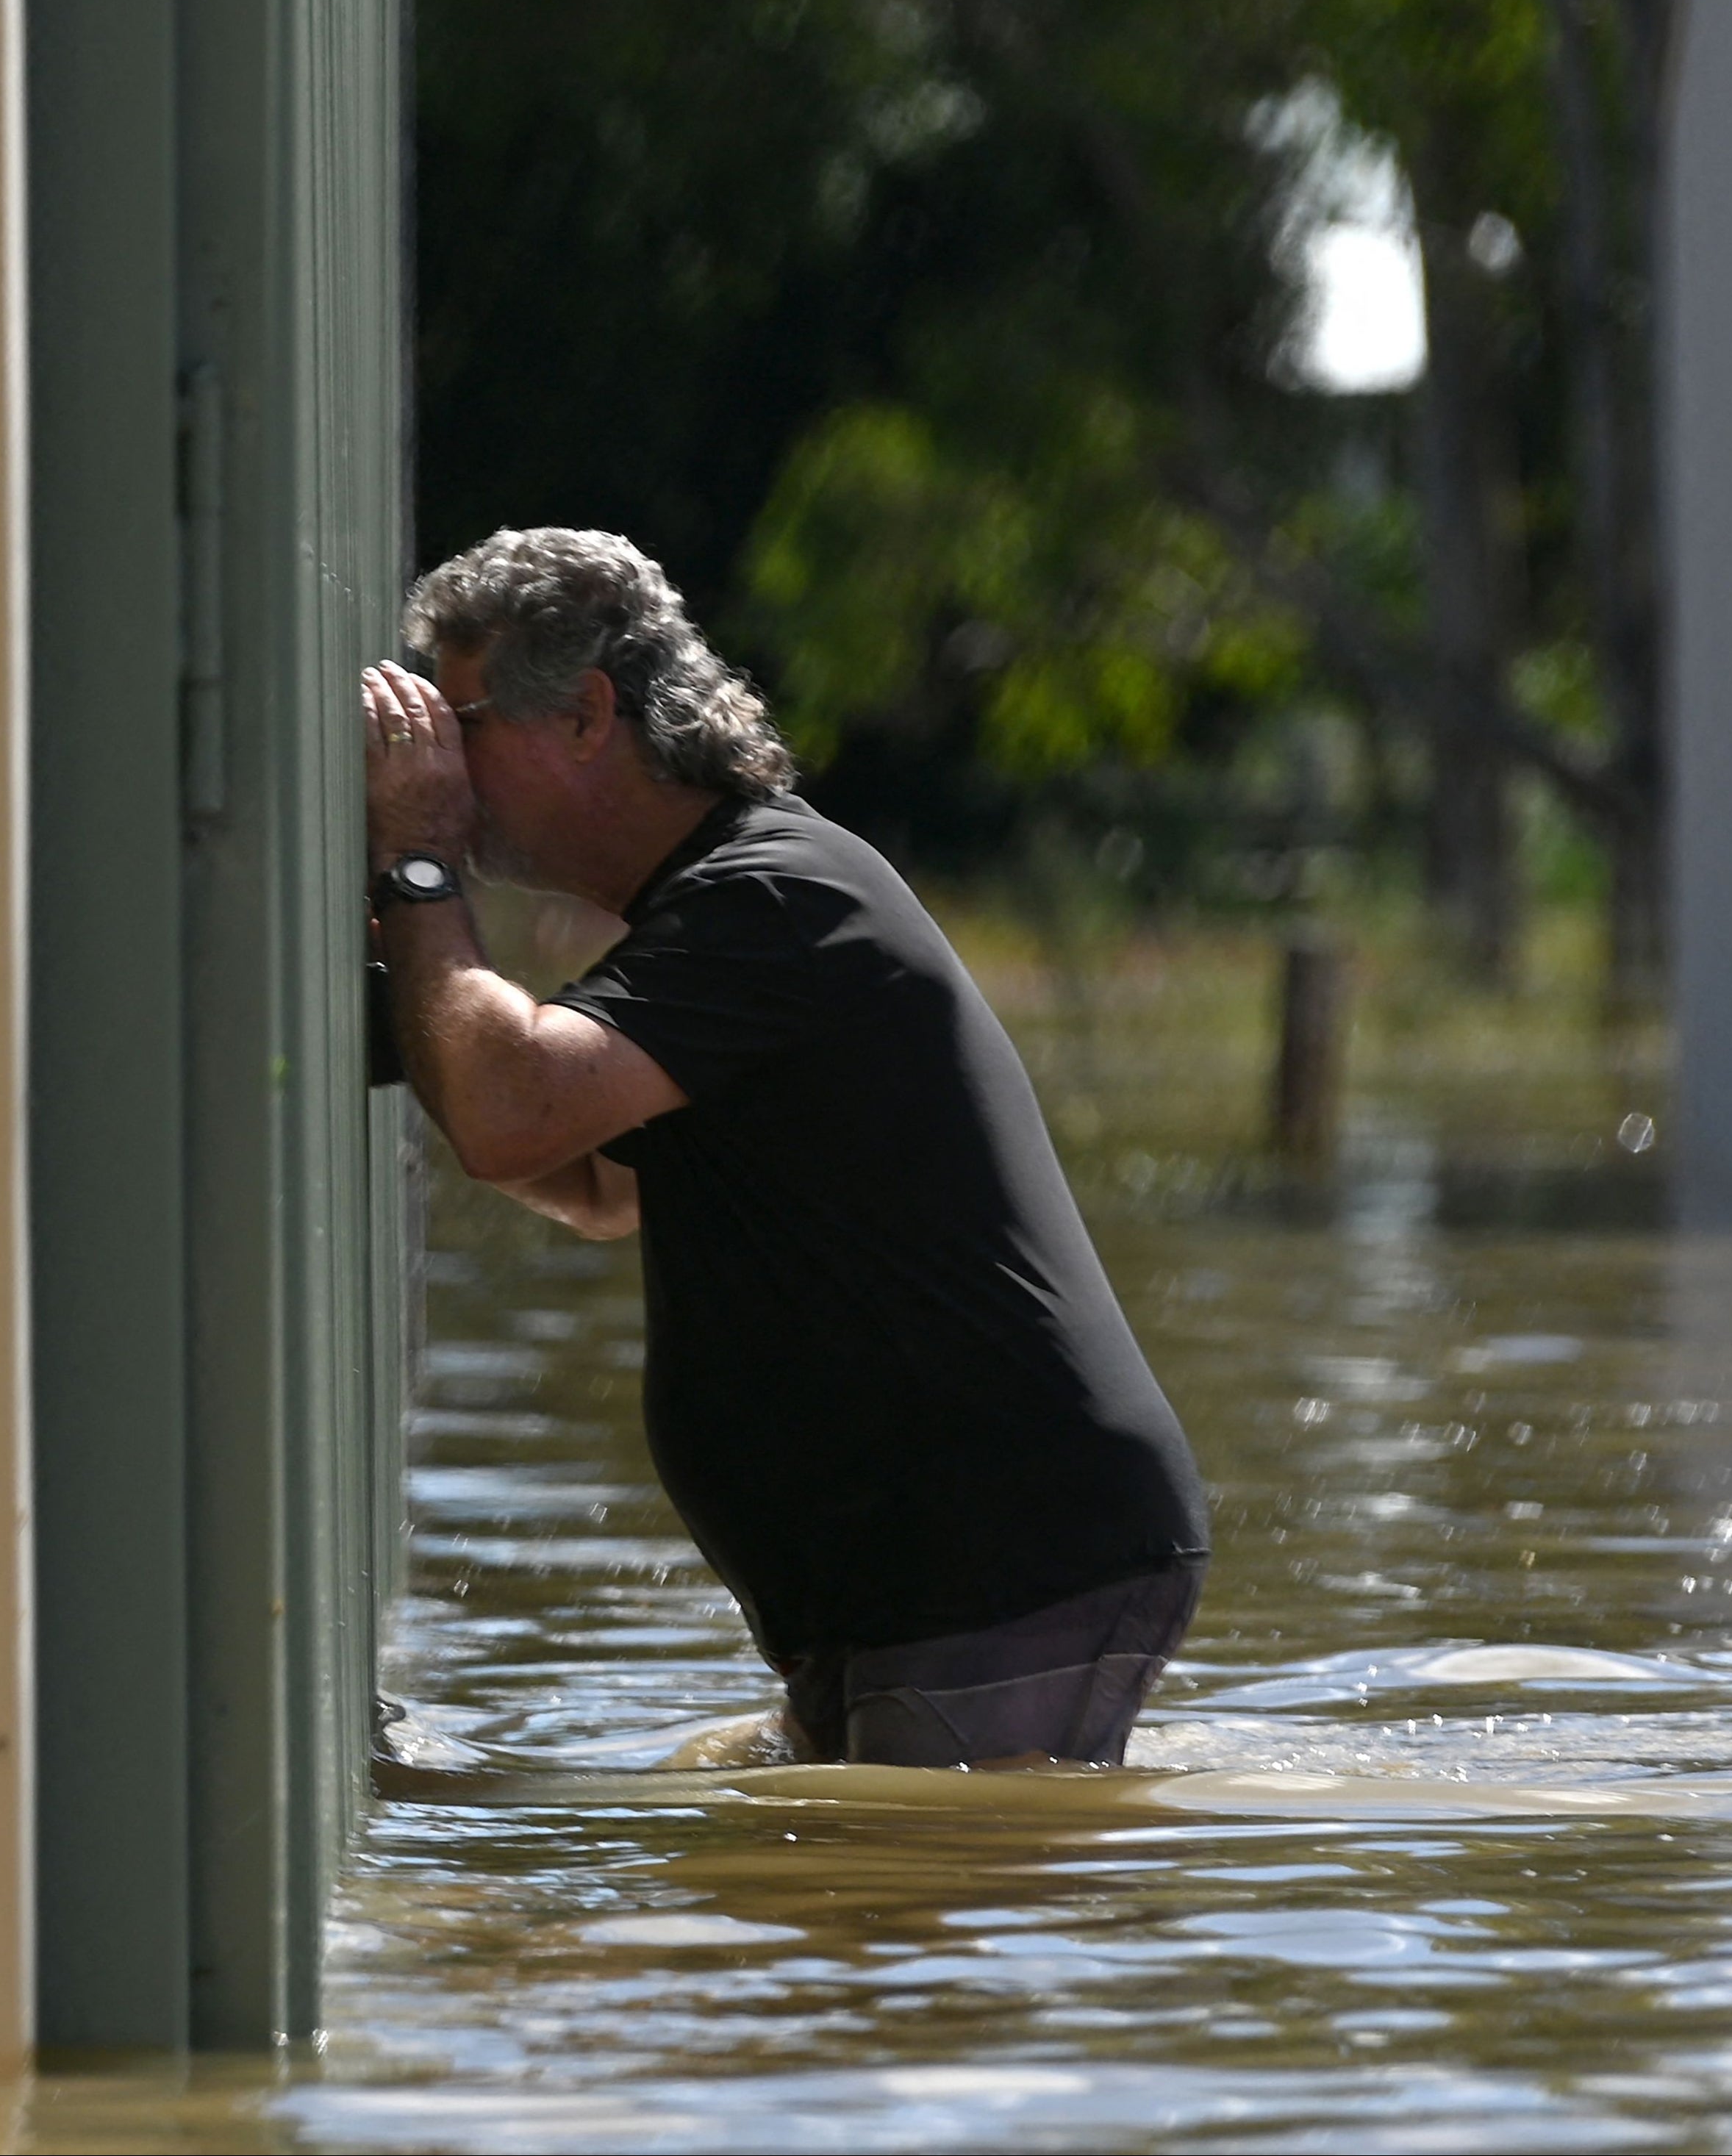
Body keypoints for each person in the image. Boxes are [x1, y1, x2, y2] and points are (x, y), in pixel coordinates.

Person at [364, 528, 1206, 1769]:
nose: (432, 759)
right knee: (828, 1937)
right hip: (908, 1585)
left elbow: (512, 1115)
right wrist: (425, 1023)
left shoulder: (775, 895)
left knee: (914, 1939)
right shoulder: (717, 910)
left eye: (459, 717)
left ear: (589, 713)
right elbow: (593, 1180)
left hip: (997, 1566)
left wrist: (416, 864)